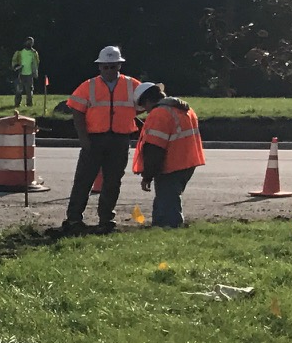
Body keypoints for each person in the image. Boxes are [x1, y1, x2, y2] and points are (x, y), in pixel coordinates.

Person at [62, 46, 141, 235]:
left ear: (119, 66)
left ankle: (106, 218)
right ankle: (74, 218)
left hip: (120, 139)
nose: (109, 71)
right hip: (94, 139)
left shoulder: (132, 85)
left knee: (113, 182)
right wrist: (84, 139)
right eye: (105, 67)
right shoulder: (88, 86)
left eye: (112, 67)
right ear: (99, 67)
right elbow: (77, 111)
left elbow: (151, 99)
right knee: (83, 180)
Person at [135, 82, 205, 228]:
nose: (146, 111)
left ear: (148, 101)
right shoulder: (185, 109)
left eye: (144, 106)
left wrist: (147, 176)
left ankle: (169, 229)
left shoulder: (158, 114)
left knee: (168, 203)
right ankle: (160, 227)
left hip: (171, 165)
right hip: (188, 163)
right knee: (165, 199)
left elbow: (155, 149)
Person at [11, 37, 41, 111]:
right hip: (20, 74)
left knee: (29, 90)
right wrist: (16, 67)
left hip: (29, 74)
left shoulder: (34, 53)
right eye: (28, 42)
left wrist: (35, 72)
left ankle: (29, 104)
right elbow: (14, 61)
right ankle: (17, 104)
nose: (29, 44)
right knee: (18, 90)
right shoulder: (20, 52)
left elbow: (36, 63)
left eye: (31, 42)